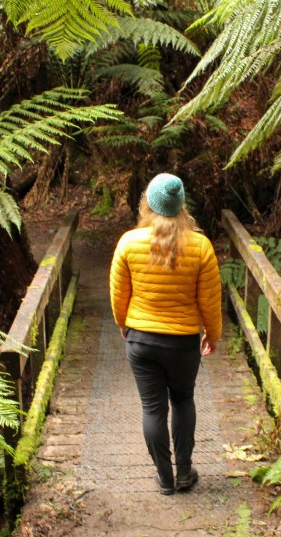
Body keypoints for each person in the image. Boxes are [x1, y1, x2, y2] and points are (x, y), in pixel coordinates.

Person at [109, 173, 223, 495]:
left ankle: (164, 477)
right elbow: (210, 301)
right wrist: (212, 334)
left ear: (148, 203)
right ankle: (184, 472)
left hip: (141, 339)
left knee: (152, 408)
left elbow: (119, 295)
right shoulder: (200, 247)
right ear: (181, 206)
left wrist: (124, 324)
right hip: (184, 343)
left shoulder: (129, 243)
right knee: (183, 400)